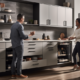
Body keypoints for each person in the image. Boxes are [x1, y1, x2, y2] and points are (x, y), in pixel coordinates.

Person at [10, 13, 35, 78]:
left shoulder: (13, 26)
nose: (23, 20)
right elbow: (23, 36)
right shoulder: (20, 26)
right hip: (19, 45)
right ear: (21, 18)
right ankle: (19, 74)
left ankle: (13, 74)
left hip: (14, 44)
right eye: (23, 19)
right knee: (20, 59)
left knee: (14, 59)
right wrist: (30, 35)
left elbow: (11, 36)